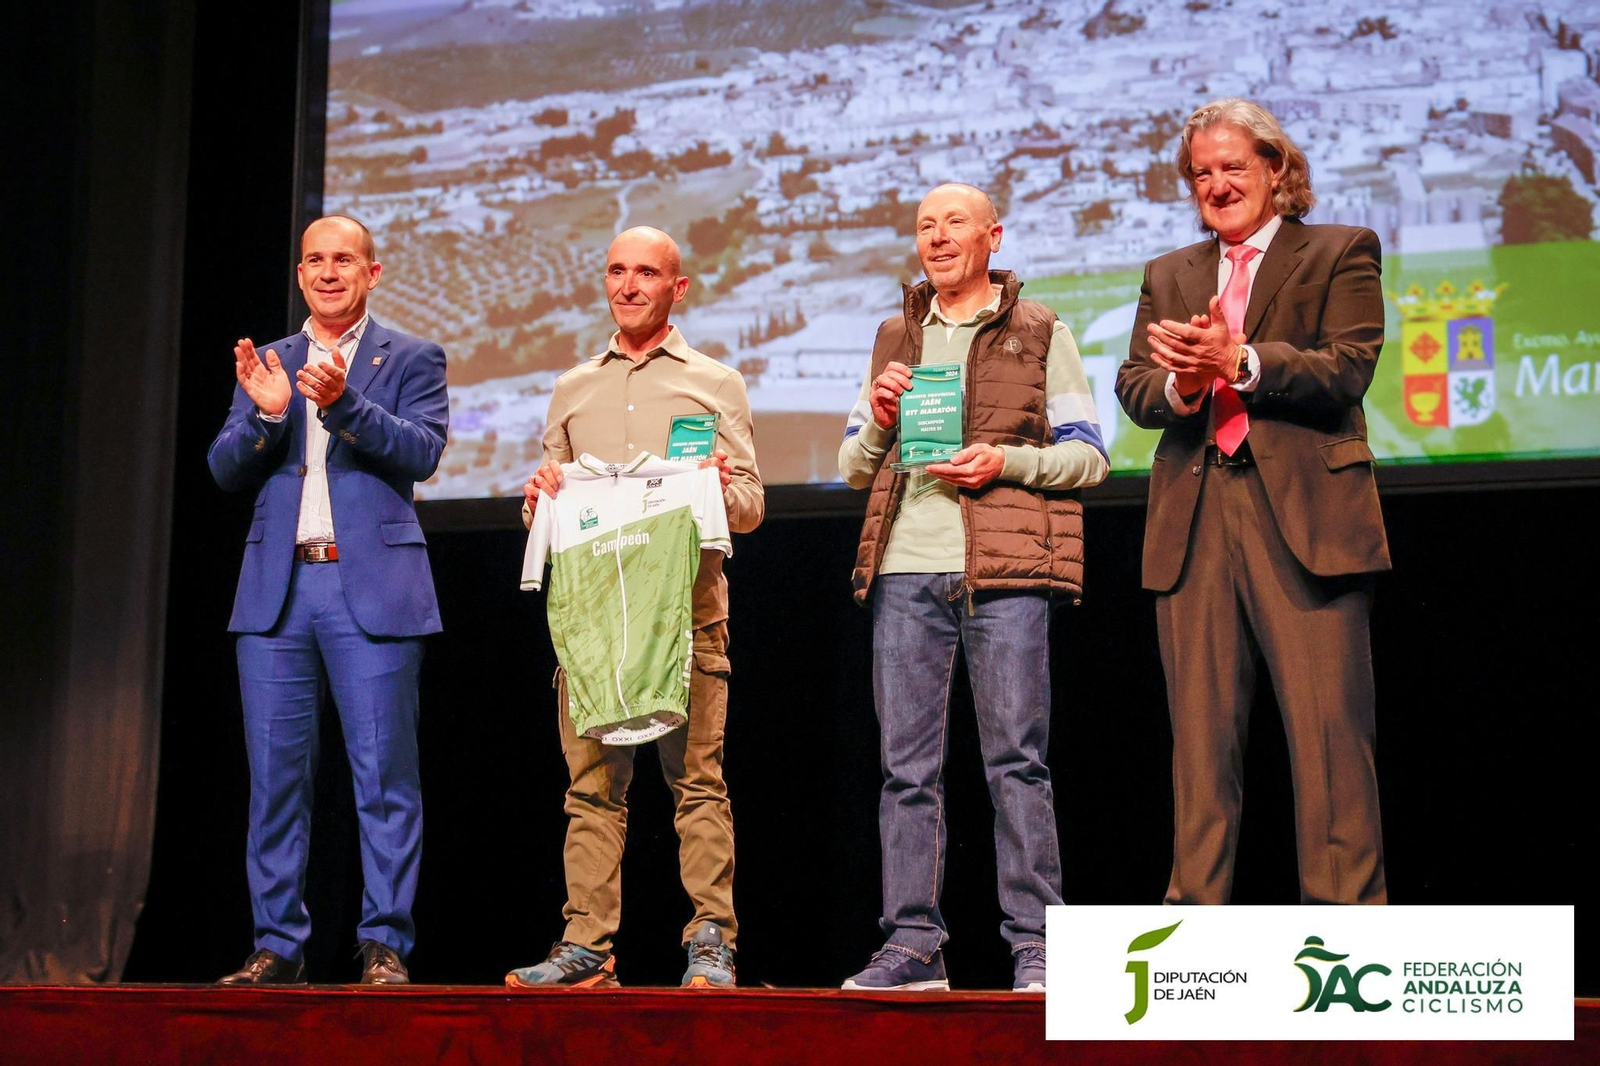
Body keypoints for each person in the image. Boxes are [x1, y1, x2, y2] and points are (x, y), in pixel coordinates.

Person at [1115, 98, 1390, 906]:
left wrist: (1239, 361)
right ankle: (1192, 941)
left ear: (1277, 168)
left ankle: (1345, 938)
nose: (1217, 184)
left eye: (1233, 166)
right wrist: (1182, 381)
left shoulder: (1341, 251)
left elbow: (1346, 367)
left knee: (1331, 740)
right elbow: (1137, 389)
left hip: (1306, 519)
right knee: (1200, 749)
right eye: (1202, 172)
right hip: (1194, 522)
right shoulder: (1171, 273)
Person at [838, 184, 1109, 992]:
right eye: (924, 225)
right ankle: (914, 945)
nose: (937, 236)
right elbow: (854, 465)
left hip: (1007, 569)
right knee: (905, 770)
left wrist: (1006, 461)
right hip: (905, 569)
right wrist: (883, 416)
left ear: (992, 235)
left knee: (1016, 763)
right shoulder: (897, 332)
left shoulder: (1039, 329)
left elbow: (1090, 455)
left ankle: (1037, 947)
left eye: (954, 222)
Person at [506, 226, 763, 989]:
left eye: (646, 272)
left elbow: (748, 508)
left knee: (698, 787)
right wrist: (536, 499)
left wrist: (719, 482)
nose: (628, 284)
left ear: (677, 287)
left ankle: (710, 942)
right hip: (591, 630)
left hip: (688, 618)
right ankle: (587, 946)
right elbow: (543, 510)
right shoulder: (573, 387)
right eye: (617, 270)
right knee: (590, 791)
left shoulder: (716, 383)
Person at [208, 215, 449, 984]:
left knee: (384, 780)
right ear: (300, 273)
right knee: (276, 781)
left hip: (370, 588)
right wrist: (272, 414)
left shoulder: (411, 356)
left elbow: (423, 452)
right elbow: (222, 468)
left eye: (344, 258)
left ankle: (385, 944)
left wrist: (344, 404)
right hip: (279, 595)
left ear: (372, 273)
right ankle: (277, 946)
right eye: (314, 260)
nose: (328, 271)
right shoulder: (270, 361)